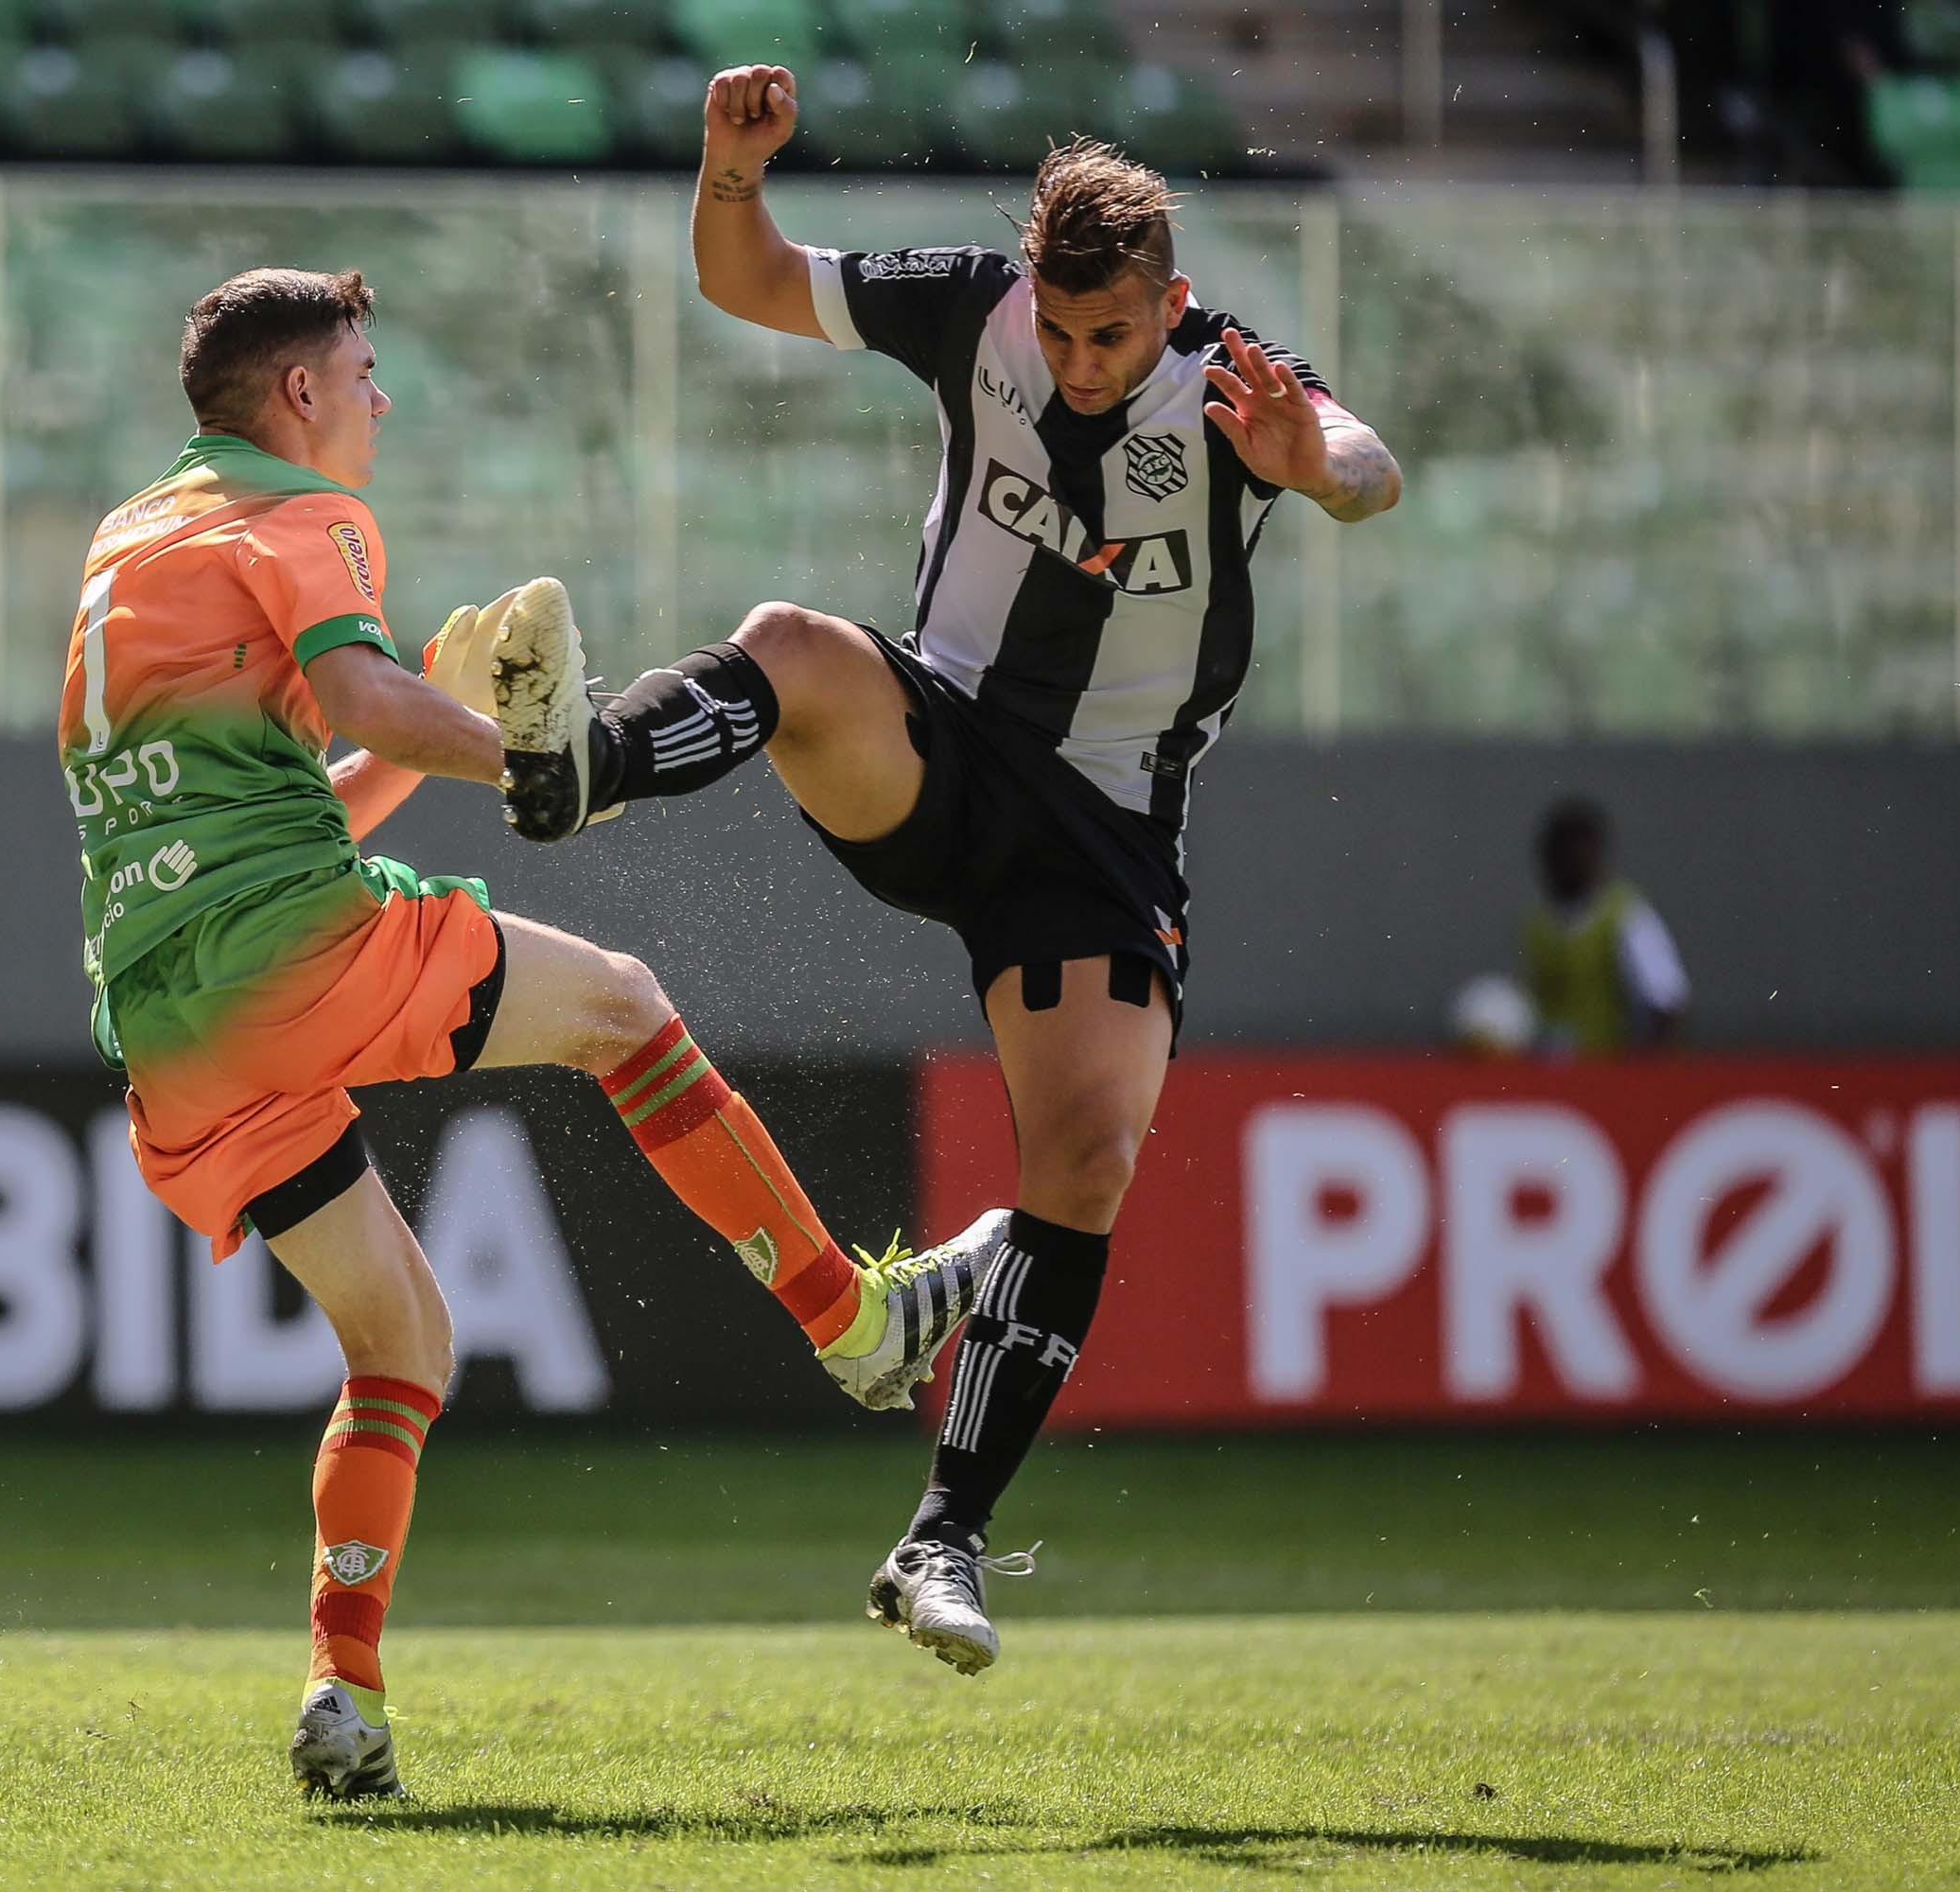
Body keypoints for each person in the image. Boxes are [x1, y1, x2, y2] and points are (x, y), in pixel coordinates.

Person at [497, 77, 1403, 1676]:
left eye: (1109, 338)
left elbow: (1367, 460)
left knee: (1091, 1158)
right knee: (792, 644)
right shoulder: (974, 311)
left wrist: (1313, 464)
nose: (1076, 362)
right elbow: (749, 278)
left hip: (1106, 835)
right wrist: (726, 175)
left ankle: (940, 1538)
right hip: (944, 747)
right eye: (1060, 335)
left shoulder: (1233, 383)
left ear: (1170, 307)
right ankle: (583, 774)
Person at [64, 267, 1002, 1799]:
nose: (381, 397)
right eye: (363, 370)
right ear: (298, 394)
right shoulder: (311, 519)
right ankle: (856, 1325)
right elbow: (359, 699)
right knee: (625, 1013)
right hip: (286, 949)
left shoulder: (138, 535)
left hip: (163, 1015)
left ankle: (341, 1693)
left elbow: (325, 754)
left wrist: (436, 715)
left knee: (403, 1340)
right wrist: (547, 755)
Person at [1522, 797, 1689, 1054]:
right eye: (1560, 854)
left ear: (1597, 855)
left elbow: (1665, 998)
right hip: (1551, 1070)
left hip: (1609, 1068)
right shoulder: (1538, 924)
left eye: (1578, 853)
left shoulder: (1626, 914)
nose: (1569, 863)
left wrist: (1646, 1072)